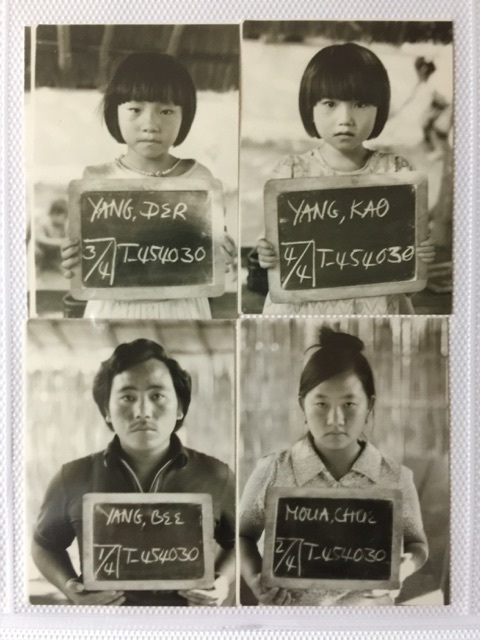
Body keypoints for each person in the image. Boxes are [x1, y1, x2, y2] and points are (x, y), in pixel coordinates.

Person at [32, 339, 235, 606]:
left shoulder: (216, 475)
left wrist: (222, 581)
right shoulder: (72, 477)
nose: (142, 411)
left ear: (180, 408)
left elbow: (238, 542)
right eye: (127, 397)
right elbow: (44, 544)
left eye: (157, 395)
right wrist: (70, 587)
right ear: (106, 410)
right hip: (106, 629)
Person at [239, 326, 428, 606]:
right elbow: (242, 533)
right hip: (291, 623)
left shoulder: (395, 477)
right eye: (322, 404)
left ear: (369, 406)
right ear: (303, 405)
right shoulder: (273, 471)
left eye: (349, 404)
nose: (335, 419)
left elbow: (417, 545)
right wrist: (255, 578)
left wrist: (404, 568)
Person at [256, 43, 435, 315]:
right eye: (330, 104)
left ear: (380, 108)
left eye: (360, 104)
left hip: (377, 307)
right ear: (310, 107)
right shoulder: (290, 172)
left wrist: (421, 255)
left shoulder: (397, 172)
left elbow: (406, 276)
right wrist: (266, 253)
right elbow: (273, 244)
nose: (346, 119)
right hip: (305, 308)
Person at [61, 52, 235, 319]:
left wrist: (224, 251)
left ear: (184, 117)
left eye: (166, 111)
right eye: (135, 110)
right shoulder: (95, 181)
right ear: (114, 113)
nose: (151, 125)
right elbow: (79, 254)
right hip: (112, 310)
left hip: (184, 309)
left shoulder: (200, 178)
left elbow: (212, 248)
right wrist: (71, 258)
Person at [35, 198, 68, 274]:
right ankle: (39, 267)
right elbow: (39, 239)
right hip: (43, 249)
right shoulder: (44, 223)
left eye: (66, 216)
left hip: (56, 252)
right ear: (54, 214)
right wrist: (59, 242)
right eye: (64, 216)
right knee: (36, 251)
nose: (65, 218)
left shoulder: (64, 224)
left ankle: (57, 264)